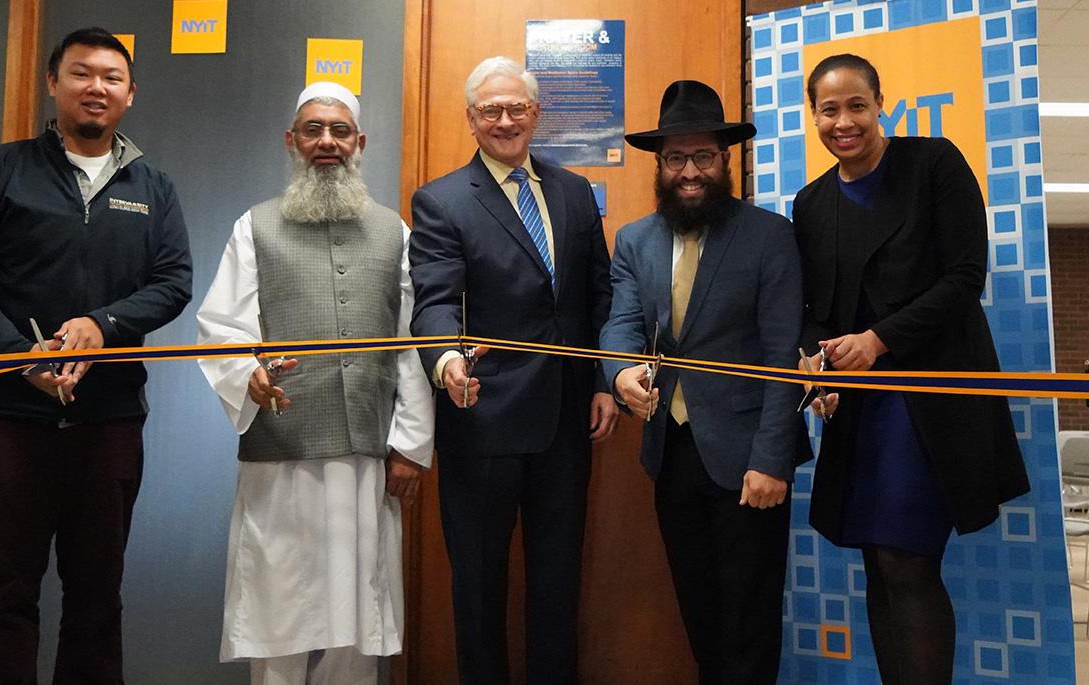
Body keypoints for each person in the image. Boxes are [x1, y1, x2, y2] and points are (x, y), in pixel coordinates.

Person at [0, 27, 192, 683]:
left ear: (130, 93)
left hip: (108, 423)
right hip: (5, 420)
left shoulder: (151, 186)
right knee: (3, 596)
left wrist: (104, 325)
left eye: (110, 77)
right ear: (53, 83)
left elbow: (173, 281)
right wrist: (20, 355)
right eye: (80, 73)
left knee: (98, 600)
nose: (95, 87)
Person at [793, 53, 1031, 685]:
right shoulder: (810, 202)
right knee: (878, 561)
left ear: (881, 105)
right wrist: (817, 359)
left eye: (856, 106)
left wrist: (876, 340)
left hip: (929, 399)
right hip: (860, 404)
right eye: (828, 109)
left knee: (908, 561)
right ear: (811, 115)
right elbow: (814, 309)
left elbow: (963, 279)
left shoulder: (934, 164)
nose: (844, 122)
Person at [196, 81, 434, 685]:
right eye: (312, 130)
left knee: (359, 615)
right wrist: (245, 373)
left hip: (366, 457)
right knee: (277, 607)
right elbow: (223, 325)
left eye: (339, 131)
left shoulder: (394, 231)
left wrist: (410, 443)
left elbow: (412, 343)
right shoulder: (255, 227)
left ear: (359, 143)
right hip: (282, 455)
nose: (326, 141)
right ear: (291, 141)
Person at [408, 56, 617, 684]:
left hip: (566, 420)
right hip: (483, 418)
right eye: (490, 111)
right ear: (471, 119)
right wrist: (446, 361)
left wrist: (606, 380)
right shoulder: (441, 200)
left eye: (517, 108)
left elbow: (598, 296)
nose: (505, 121)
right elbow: (435, 301)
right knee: (478, 586)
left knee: (558, 582)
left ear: (536, 114)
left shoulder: (575, 191)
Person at [599, 80, 811, 685]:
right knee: (699, 610)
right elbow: (620, 323)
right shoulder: (634, 240)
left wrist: (772, 460)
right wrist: (620, 374)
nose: (689, 171)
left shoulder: (770, 236)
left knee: (749, 617)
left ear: (726, 160)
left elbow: (780, 358)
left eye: (703, 157)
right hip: (673, 454)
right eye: (675, 158)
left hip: (750, 459)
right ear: (659, 165)